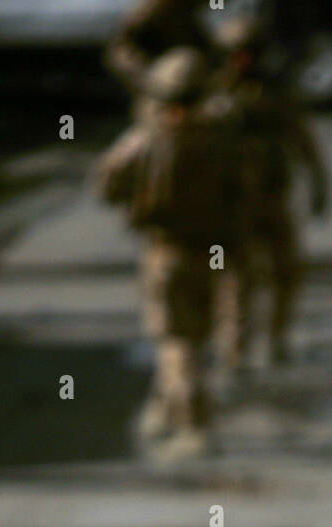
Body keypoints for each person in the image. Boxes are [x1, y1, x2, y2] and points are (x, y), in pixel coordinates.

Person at [96, 48, 245, 460]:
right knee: (195, 336)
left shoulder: (147, 140)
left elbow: (107, 182)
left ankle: (194, 426)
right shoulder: (222, 135)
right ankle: (164, 409)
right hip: (211, 250)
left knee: (176, 343)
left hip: (168, 251)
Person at [212, 16, 329, 366]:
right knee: (237, 280)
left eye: (250, 53)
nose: (244, 61)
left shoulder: (277, 94)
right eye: (237, 53)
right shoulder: (215, 95)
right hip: (234, 203)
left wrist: (319, 183)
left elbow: (303, 141)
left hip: (273, 197)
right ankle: (235, 349)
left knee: (285, 271)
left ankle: (277, 339)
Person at [106, 0, 217, 101]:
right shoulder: (148, 13)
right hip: (158, 85)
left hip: (194, 91)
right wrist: (148, 80)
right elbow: (120, 52)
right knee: (187, 61)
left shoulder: (188, 14)